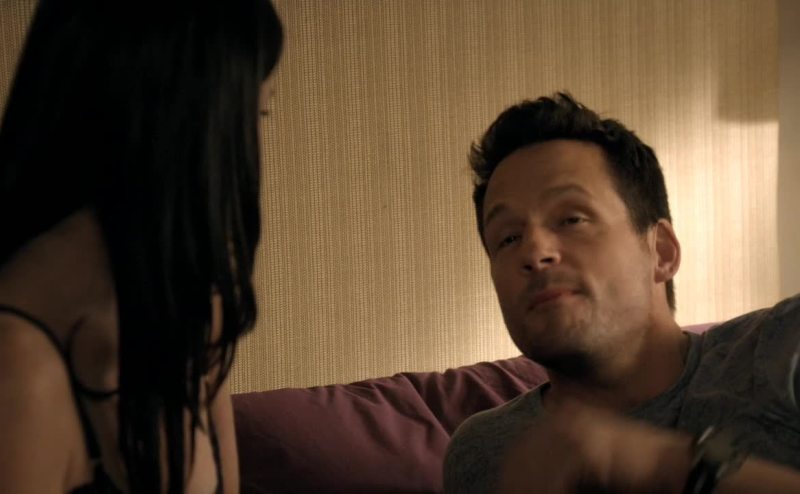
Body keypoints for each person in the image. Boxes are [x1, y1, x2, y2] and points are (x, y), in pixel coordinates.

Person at [443, 93, 800, 493]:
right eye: (508, 238)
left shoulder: (783, 347)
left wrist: (662, 463)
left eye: (572, 219)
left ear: (661, 251)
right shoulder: (483, 452)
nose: (534, 252)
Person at [0, 0, 282, 492]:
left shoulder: (192, 306)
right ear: (184, 124)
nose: (256, 146)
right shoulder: (18, 369)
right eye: (254, 113)